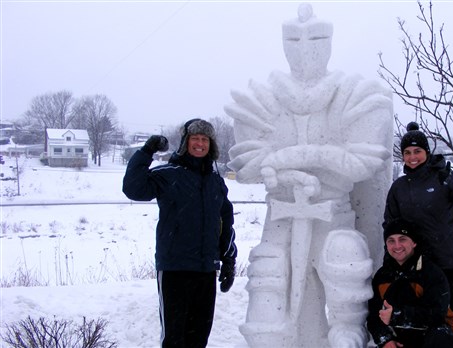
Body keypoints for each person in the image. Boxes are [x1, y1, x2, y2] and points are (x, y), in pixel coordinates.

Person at [225, 4, 393, 348]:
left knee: (343, 264)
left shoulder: (355, 94)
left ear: (328, 42)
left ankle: (347, 333)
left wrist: (290, 158)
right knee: (269, 288)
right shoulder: (261, 98)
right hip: (281, 218)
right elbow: (249, 164)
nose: (304, 49)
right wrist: (319, 161)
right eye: (294, 40)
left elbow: (363, 163)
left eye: (315, 39)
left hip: (333, 213)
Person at [122, 118, 237, 348]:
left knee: (198, 338)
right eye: (195, 138)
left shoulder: (216, 182)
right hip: (175, 269)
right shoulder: (169, 174)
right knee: (174, 339)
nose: (200, 144)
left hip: (206, 270)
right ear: (186, 142)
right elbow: (133, 188)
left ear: (210, 145)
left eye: (205, 139)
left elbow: (225, 222)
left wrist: (229, 260)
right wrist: (147, 151)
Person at [383, 122, 453, 348]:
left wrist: (452, 179)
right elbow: (390, 227)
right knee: (429, 323)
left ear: (427, 152)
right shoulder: (398, 188)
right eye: (407, 153)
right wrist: (391, 261)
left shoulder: (443, 179)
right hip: (420, 268)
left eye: (417, 151)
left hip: (452, 263)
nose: (412, 157)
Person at [367, 219, 453, 348]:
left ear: (414, 242)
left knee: (440, 337)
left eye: (402, 239)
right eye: (391, 241)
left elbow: (437, 314)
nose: (397, 246)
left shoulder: (431, 273)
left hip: (432, 336)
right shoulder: (382, 276)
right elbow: (374, 317)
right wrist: (385, 340)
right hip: (399, 338)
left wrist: (397, 316)